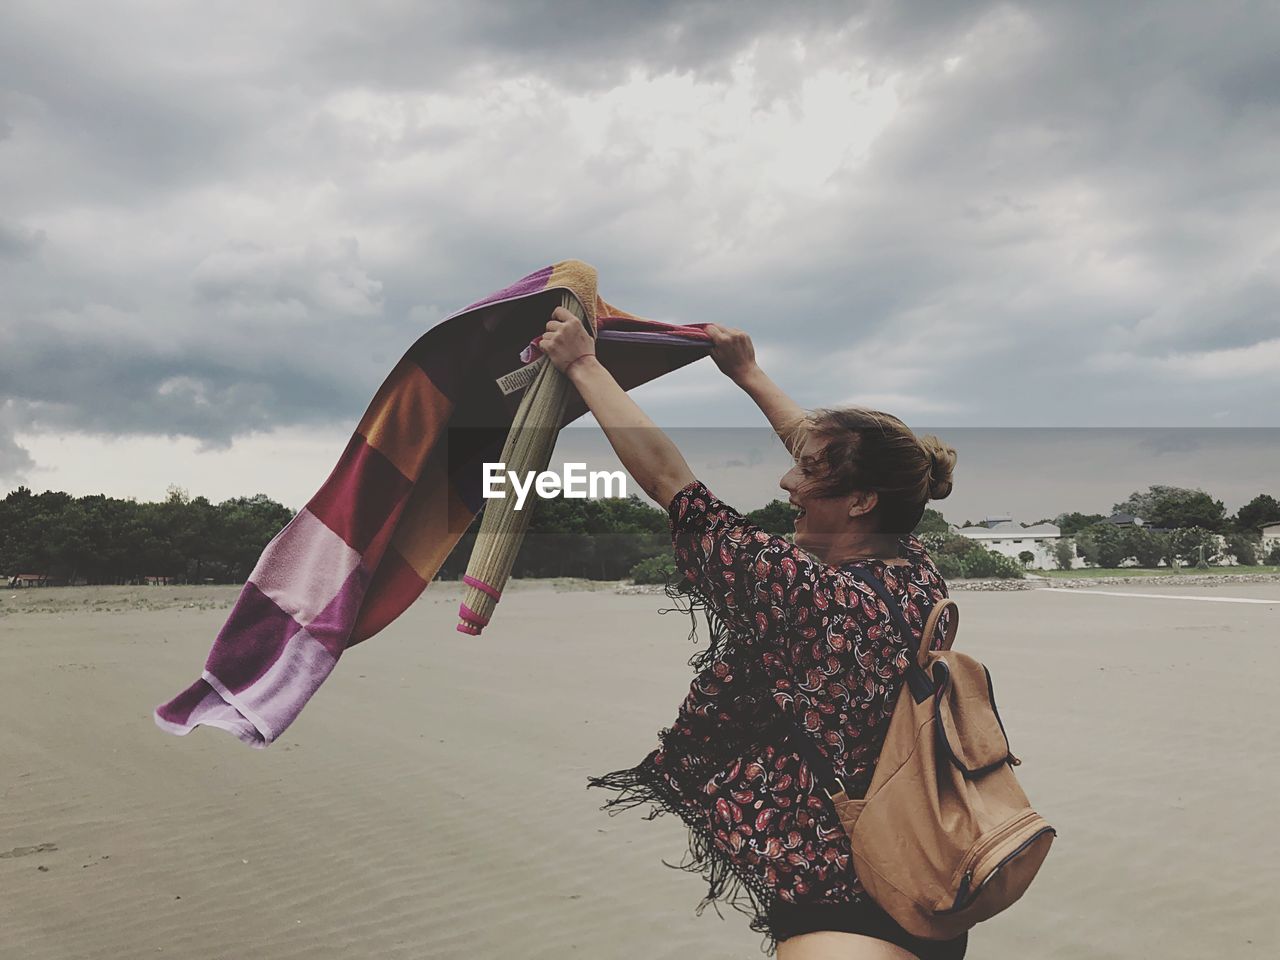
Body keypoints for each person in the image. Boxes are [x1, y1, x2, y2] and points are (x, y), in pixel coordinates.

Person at [540, 307, 962, 960]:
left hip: (847, 907)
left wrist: (583, 365)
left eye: (808, 472)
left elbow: (669, 482)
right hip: (925, 882)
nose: (788, 479)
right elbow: (828, 454)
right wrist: (747, 373)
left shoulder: (805, 593)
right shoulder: (915, 571)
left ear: (859, 501)